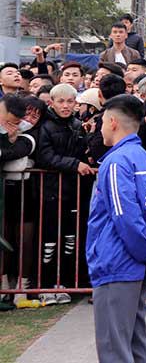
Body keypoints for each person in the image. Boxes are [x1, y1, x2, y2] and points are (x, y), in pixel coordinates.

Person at [87, 95, 146, 363]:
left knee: (114, 348)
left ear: (112, 122)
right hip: (136, 264)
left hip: (117, 263)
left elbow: (126, 217)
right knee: (135, 345)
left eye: (101, 121)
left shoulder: (115, 162)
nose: (100, 127)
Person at [35, 83, 92, 304]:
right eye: (61, 101)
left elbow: (82, 153)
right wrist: (74, 164)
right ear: (52, 102)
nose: (66, 106)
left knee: (70, 239)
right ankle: (46, 285)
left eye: (70, 101)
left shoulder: (78, 125)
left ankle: (67, 283)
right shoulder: (45, 126)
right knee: (49, 240)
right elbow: (44, 156)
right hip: (50, 190)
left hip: (73, 191)